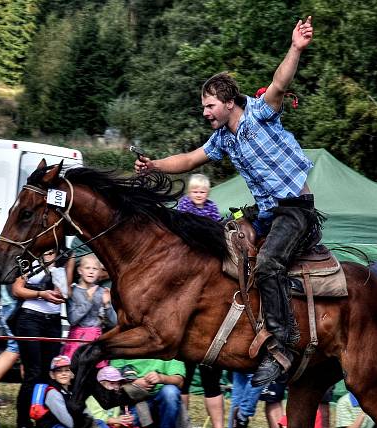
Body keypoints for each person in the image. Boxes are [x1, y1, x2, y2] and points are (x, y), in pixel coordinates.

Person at [135, 17, 317, 386]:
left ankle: (282, 347)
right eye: (204, 106)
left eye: (210, 106)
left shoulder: (260, 113)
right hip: (267, 213)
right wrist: (154, 164)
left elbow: (280, 83)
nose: (205, 113)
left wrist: (296, 47)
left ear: (229, 103)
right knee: (220, 244)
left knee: (267, 264)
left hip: (296, 210)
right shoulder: (224, 140)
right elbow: (187, 161)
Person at [175, 174, 226, 428]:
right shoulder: (183, 207)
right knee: (183, 378)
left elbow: (216, 233)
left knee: (211, 381)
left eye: (202, 191)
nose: (198, 194)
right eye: (194, 190)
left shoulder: (212, 209)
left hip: (208, 332)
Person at [11, 248, 67, 428]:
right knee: (33, 372)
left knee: (46, 375)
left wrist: (64, 291)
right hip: (29, 318)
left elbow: (69, 290)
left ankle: (43, 422)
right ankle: (23, 424)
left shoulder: (64, 258)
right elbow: (17, 289)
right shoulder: (28, 258)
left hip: (54, 320)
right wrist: (41, 294)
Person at [85, 365, 167, 428]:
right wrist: (116, 420)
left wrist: (124, 420)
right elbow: (97, 418)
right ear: (101, 384)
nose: (116, 387)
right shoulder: (93, 398)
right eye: (112, 383)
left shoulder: (114, 397)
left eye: (118, 384)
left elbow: (115, 418)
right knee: (100, 426)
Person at [109, 357, 184, 428]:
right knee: (130, 426)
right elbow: (111, 378)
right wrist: (134, 383)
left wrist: (161, 378)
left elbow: (180, 381)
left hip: (162, 400)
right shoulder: (124, 348)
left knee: (170, 392)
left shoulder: (168, 349)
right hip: (134, 401)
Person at [63, 254, 116, 360]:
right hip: (77, 341)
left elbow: (114, 323)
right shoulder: (73, 291)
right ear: (79, 270)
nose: (91, 271)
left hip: (96, 340)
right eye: (87, 268)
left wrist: (107, 305)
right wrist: (88, 300)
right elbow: (72, 320)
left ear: (99, 272)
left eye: (95, 269)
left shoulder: (102, 292)